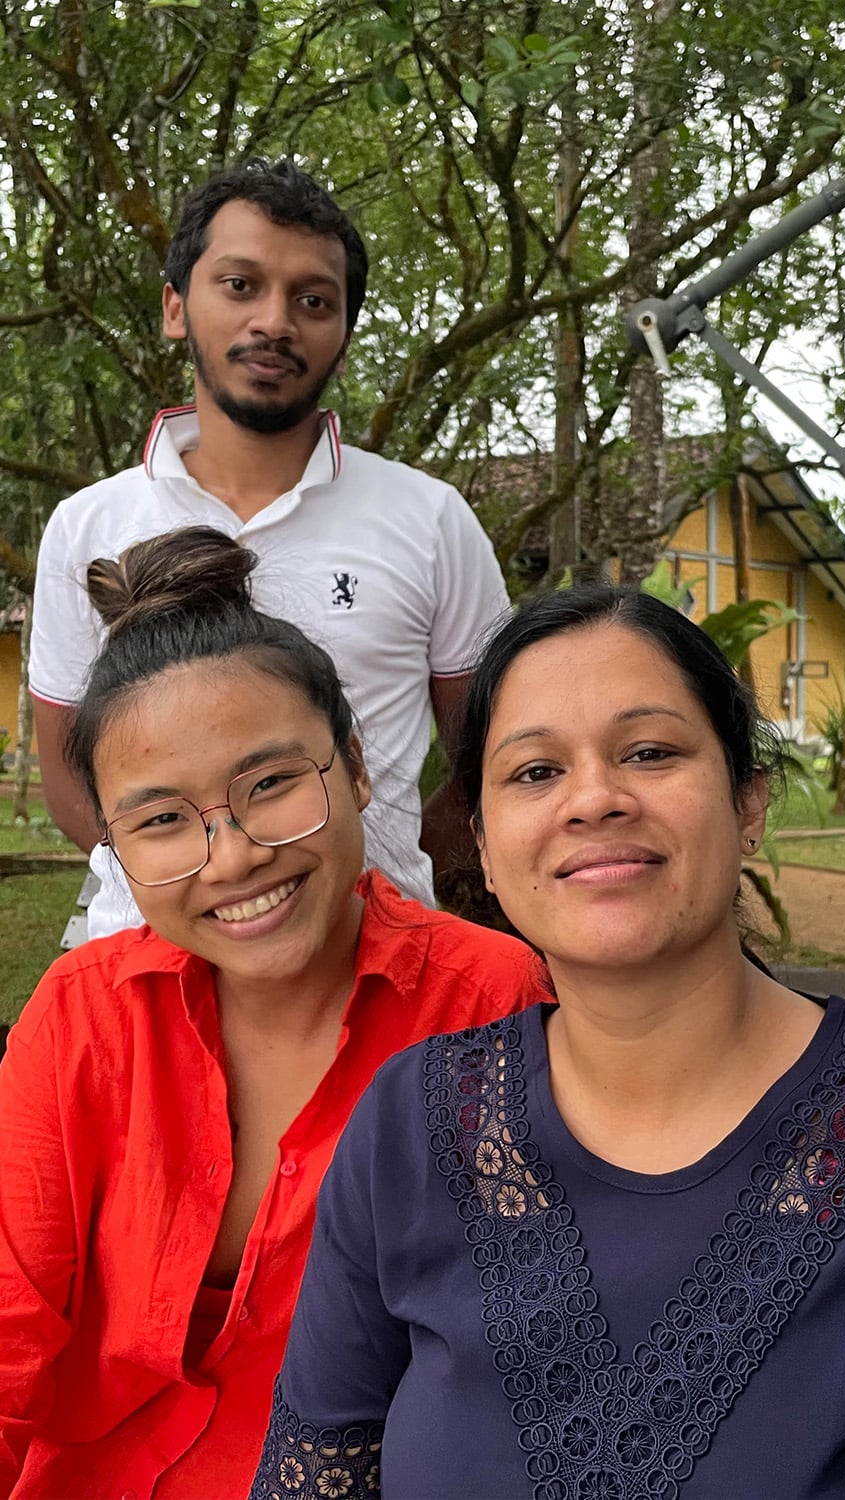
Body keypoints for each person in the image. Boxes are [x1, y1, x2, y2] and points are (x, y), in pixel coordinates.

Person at [248, 585, 845, 1499]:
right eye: (535, 773)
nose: (593, 799)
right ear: (483, 842)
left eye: (650, 752)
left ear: (749, 803)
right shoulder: (414, 1125)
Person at [0, 528, 549, 1499]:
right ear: (114, 846)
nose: (233, 857)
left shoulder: (487, 1005)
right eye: (164, 819)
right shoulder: (79, 1021)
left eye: (270, 786)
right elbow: (10, 1333)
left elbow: (525, 1346)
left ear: (354, 766)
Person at [29, 156, 507, 940]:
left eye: (313, 299)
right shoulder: (87, 526)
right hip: (143, 960)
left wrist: (366, 870)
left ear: (344, 335)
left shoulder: (431, 520)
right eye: (241, 285)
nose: (275, 322)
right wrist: (207, 895)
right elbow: (68, 783)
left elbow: (483, 766)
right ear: (177, 308)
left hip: (382, 967)